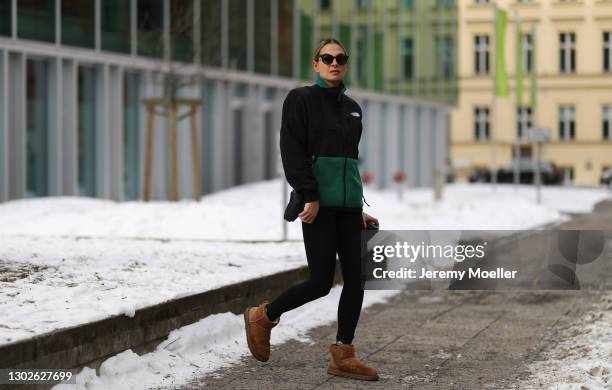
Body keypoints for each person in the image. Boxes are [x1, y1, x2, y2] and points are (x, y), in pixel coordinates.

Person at [244, 38, 380, 381]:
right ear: (315, 64)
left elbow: (349, 162)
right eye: (327, 57)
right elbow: (293, 151)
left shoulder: (353, 108)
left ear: (346, 64)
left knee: (356, 282)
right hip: (317, 205)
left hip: (348, 208)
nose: (334, 62)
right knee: (320, 282)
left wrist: (357, 206)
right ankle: (264, 316)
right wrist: (309, 194)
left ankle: (343, 353)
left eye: (340, 58)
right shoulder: (300, 99)